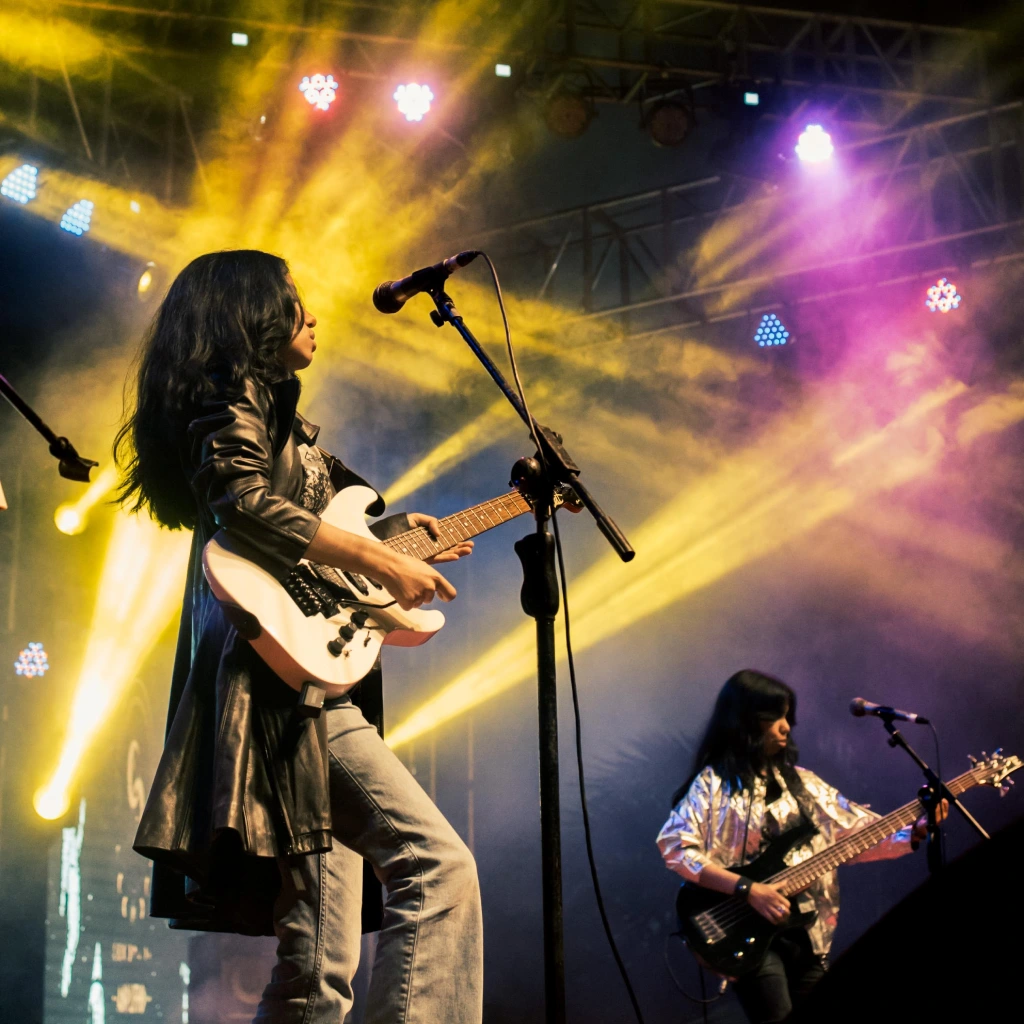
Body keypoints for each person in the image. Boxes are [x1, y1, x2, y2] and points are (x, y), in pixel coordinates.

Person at [115, 250, 483, 1024]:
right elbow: (243, 505)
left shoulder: (277, 416)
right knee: (436, 867)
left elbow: (305, 535)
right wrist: (379, 558)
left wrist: (391, 534)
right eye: (293, 301)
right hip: (277, 696)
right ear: (251, 313)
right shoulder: (232, 392)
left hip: (297, 691)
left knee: (317, 969)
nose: (312, 316)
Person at [657, 670, 942, 1024]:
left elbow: (854, 836)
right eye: (774, 717)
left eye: (787, 716)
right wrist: (749, 890)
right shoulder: (712, 785)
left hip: (809, 933)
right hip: (747, 932)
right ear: (746, 721)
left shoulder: (803, 782)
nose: (786, 727)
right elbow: (675, 848)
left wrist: (915, 831)